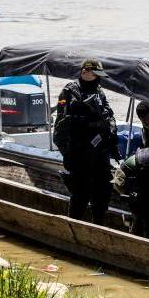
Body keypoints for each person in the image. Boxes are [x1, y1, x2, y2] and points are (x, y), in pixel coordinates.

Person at [53, 58, 118, 224]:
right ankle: (74, 227)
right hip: (79, 151)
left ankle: (99, 226)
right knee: (80, 193)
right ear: (85, 71)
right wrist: (68, 152)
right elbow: (60, 127)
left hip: (99, 151)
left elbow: (109, 116)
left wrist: (109, 132)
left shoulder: (99, 91)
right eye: (95, 74)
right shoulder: (70, 91)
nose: (97, 77)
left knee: (103, 191)